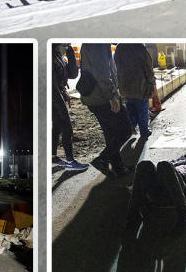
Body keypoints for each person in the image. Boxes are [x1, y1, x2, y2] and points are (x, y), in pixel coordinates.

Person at [78, 43, 134, 178]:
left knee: (111, 133)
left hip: (96, 97)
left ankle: (118, 168)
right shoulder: (98, 43)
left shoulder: (95, 41)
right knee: (125, 129)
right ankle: (102, 159)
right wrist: (112, 96)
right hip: (102, 97)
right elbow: (101, 72)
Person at [124, 154, 186, 237]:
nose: (182, 159)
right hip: (157, 191)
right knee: (144, 165)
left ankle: (183, 215)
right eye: (182, 157)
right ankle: (133, 215)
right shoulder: (168, 165)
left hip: (175, 192)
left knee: (164, 165)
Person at [51, 43, 89, 173]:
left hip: (57, 95)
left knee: (57, 126)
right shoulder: (48, 54)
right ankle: (70, 162)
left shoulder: (57, 54)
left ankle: (53, 156)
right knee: (66, 126)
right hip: (53, 97)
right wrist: (60, 97)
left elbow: (72, 74)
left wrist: (70, 51)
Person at [115, 43, 157, 140]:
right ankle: (144, 131)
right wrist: (151, 82)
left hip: (125, 85)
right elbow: (148, 68)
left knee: (130, 108)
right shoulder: (140, 48)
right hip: (140, 85)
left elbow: (116, 65)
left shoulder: (120, 47)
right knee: (142, 109)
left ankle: (131, 129)